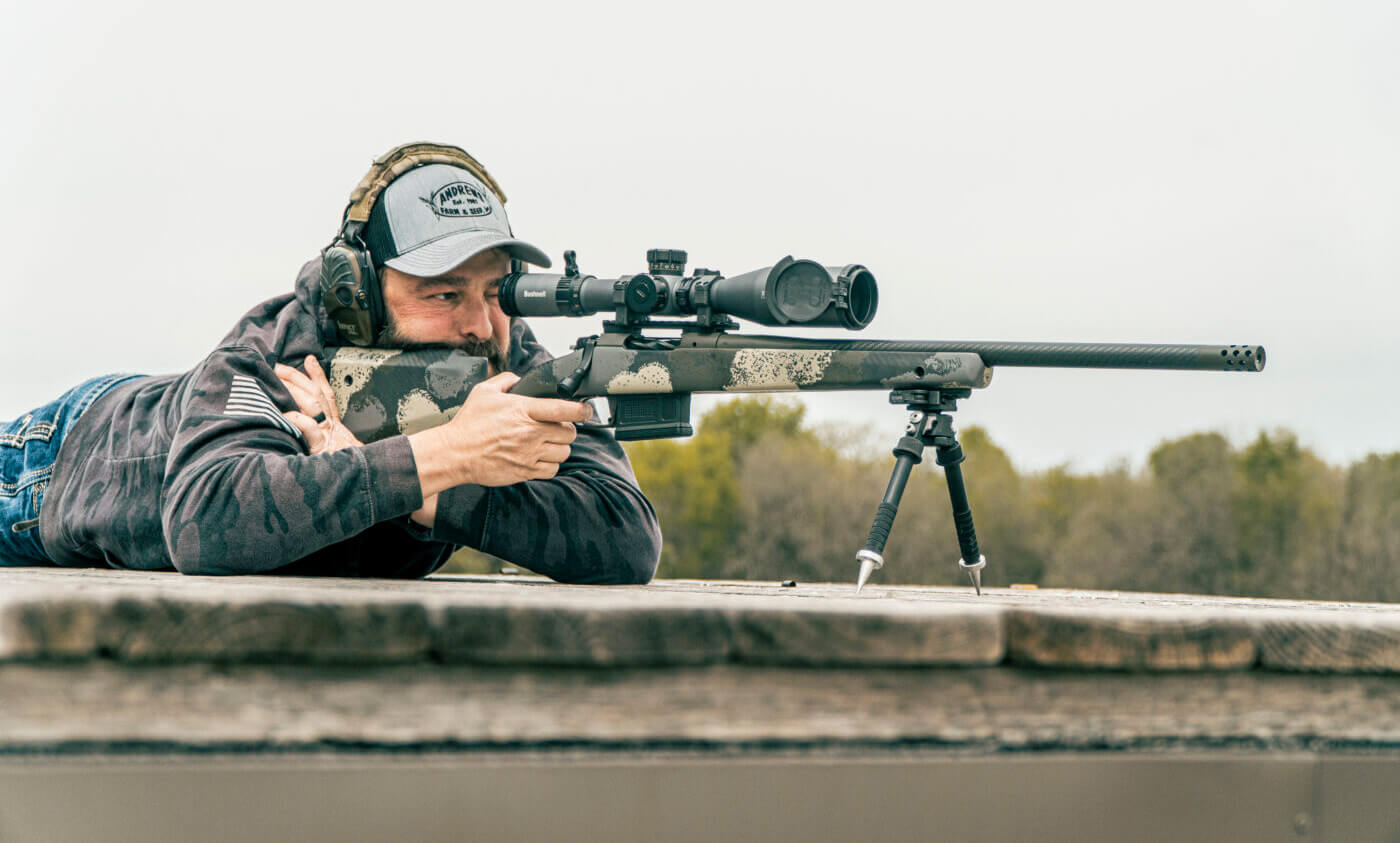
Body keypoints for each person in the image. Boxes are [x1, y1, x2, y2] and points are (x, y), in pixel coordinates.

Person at [0, 142, 662, 583]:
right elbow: (205, 523)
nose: (479, 323)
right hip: (59, 464)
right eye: (444, 293)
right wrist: (449, 453)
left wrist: (420, 491)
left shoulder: (498, 356)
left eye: (497, 291)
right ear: (361, 291)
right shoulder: (274, 353)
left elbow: (626, 537)